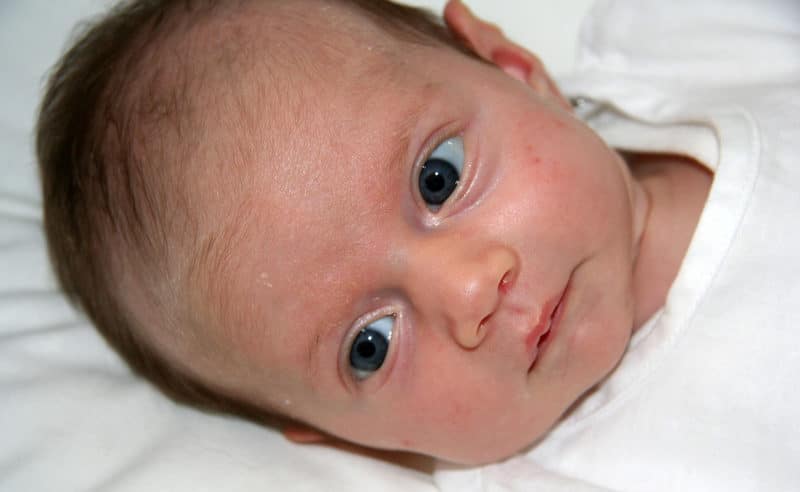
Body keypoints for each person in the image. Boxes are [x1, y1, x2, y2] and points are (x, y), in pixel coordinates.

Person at [36, 0, 800, 487]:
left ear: (516, 70)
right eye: (369, 345)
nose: (468, 292)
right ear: (358, 442)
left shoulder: (693, 37)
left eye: (439, 178)